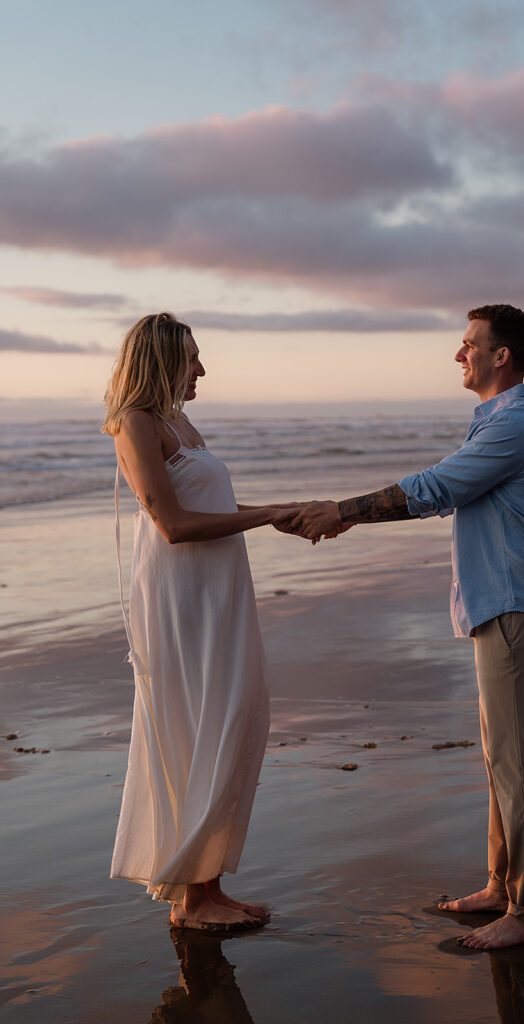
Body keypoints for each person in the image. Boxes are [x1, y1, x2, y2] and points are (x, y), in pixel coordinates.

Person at [286, 304, 524, 950]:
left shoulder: (515, 426)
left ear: (502, 356)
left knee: (517, 766)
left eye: (468, 343)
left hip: (514, 609)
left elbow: (435, 487)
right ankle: (503, 885)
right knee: (503, 759)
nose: (457, 353)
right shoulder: (498, 424)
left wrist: (342, 510)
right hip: (503, 608)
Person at [102, 312, 297, 931]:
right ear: (159, 360)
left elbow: (207, 506)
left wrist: (277, 511)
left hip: (218, 593)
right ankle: (192, 900)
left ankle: (208, 885)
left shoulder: (177, 422)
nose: (201, 369)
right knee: (196, 725)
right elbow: (175, 526)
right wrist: (267, 516)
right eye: (191, 358)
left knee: (232, 717)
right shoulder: (134, 424)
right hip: (180, 598)